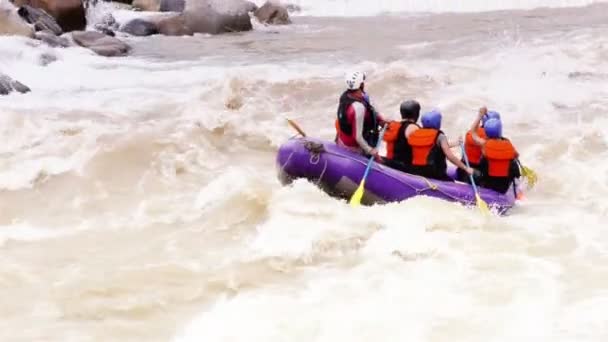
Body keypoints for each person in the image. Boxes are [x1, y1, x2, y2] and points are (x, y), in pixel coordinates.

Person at [407, 109, 473, 181]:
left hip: (415, 171)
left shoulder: (415, 134)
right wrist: (465, 168)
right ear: (437, 123)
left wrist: (456, 143)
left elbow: (432, 147)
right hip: (434, 173)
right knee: (451, 182)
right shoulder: (440, 136)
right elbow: (450, 156)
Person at [335, 71, 386, 161]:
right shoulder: (358, 108)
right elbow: (357, 137)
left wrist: (380, 119)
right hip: (353, 147)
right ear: (361, 85)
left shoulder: (345, 96)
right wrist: (371, 151)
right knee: (378, 161)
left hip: (342, 139)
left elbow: (370, 108)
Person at [470, 116, 521, 194]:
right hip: (505, 185)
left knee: (475, 169)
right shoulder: (508, 144)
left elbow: (473, 133)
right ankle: (517, 187)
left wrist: (480, 115)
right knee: (513, 163)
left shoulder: (484, 144)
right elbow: (517, 155)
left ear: (486, 133)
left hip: (489, 183)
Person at [456, 108, 501, 182]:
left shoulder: (470, 133)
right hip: (476, 174)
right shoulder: (492, 140)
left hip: (462, 169)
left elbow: (473, 130)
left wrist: (479, 115)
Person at [381, 100, 421, 172]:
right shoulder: (413, 128)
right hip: (405, 167)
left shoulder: (393, 126)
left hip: (390, 162)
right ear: (416, 114)